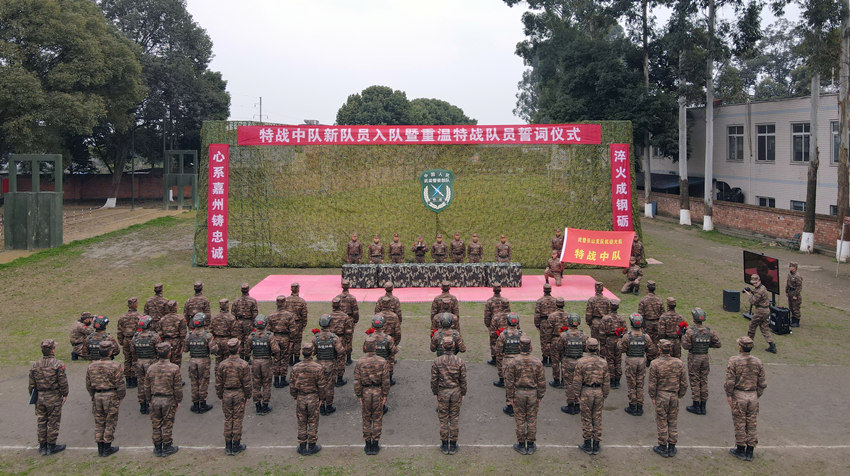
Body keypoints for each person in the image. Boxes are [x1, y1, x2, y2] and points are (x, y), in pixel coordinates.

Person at [725, 336, 767, 462]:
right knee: (751, 424)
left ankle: (740, 449)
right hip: (753, 396)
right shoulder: (758, 362)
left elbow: (730, 381)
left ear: (740, 347)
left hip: (739, 395)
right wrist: (756, 394)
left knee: (740, 423)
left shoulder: (734, 361)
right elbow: (762, 382)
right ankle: (750, 451)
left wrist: (729, 395)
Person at [505, 335, 545, 455]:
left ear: (519, 347)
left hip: (519, 393)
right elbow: (541, 382)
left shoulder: (513, 362)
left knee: (520, 419)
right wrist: (540, 396)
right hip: (532, 394)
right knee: (532, 419)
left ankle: (521, 444)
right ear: (531, 347)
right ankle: (531, 444)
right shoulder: (537, 362)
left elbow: (509, 381)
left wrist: (510, 397)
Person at [648, 339, 688, 458]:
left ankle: (662, 446)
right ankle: (672, 446)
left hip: (661, 395)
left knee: (662, 421)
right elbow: (684, 383)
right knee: (673, 421)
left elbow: (652, 384)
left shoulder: (655, 364)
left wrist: (653, 397)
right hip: (674, 395)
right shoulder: (679, 363)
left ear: (659, 349)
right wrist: (680, 395)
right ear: (670, 349)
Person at [86, 340, 126, 457]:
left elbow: (88, 384)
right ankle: (107, 447)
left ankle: (100, 448)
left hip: (97, 395)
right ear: (110, 352)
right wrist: (120, 397)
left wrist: (93, 395)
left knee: (99, 422)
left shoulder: (91, 366)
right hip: (111, 396)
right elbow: (120, 384)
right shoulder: (115, 366)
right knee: (110, 422)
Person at [29, 339, 69, 456]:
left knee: (41, 421)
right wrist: (65, 394)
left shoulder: (35, 365)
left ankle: (42, 446)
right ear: (52, 350)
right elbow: (63, 382)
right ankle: (51, 446)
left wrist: (34, 397)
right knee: (53, 422)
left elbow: (31, 385)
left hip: (40, 397)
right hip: (54, 397)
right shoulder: (58, 364)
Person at [144, 342, 182, 457]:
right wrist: (178, 401)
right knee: (167, 424)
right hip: (168, 399)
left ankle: (157, 447)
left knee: (156, 425)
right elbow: (177, 387)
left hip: (155, 399)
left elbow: (146, 386)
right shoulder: (174, 368)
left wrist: (149, 400)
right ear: (169, 353)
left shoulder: (151, 368)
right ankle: (167, 447)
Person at [682, 308, 722, 416]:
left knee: (694, 380)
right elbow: (718, 344)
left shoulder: (690, 331)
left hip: (694, 358)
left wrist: (683, 336)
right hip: (705, 358)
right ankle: (703, 406)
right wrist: (707, 345)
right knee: (703, 380)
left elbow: (686, 346)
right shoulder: (709, 331)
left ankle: (696, 405)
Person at [431, 337, 467, 455]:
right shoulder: (459, 361)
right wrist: (463, 392)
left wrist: (435, 393)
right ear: (453, 346)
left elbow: (434, 380)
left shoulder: (437, 361)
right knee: (454, 418)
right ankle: (453, 444)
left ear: (442, 347)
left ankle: (445, 444)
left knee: (443, 419)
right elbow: (463, 380)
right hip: (455, 391)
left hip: (443, 391)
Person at [573, 338, 609, 455]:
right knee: (597, 418)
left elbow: (577, 380)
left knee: (586, 418)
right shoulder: (603, 362)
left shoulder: (581, 362)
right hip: (598, 392)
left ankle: (588, 444)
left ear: (587, 348)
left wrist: (577, 394)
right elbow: (606, 381)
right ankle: (596, 444)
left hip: (586, 391)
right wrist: (604, 394)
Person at [355, 337, 391, 455]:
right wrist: (385, 395)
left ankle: (367, 444)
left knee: (366, 418)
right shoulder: (382, 361)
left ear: (365, 347)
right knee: (377, 418)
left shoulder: (360, 362)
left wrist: (359, 395)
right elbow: (386, 380)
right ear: (376, 347)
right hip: (377, 392)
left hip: (365, 392)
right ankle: (375, 444)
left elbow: (357, 381)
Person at [216, 338, 252, 455]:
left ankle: (228, 445)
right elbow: (247, 383)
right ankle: (236, 445)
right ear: (239, 349)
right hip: (238, 394)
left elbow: (219, 383)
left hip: (226, 394)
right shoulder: (243, 364)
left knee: (228, 419)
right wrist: (248, 396)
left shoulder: (222, 364)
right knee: (237, 419)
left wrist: (220, 396)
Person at [619, 313, 657, 416]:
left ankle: (632, 406)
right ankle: (639, 407)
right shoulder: (646, 336)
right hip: (641, 360)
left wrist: (620, 340)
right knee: (640, 384)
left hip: (631, 361)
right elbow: (651, 350)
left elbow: (621, 349)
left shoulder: (627, 336)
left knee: (632, 384)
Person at [290, 342, 325, 455]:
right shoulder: (318, 367)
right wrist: (321, 399)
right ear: (313, 353)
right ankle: (312, 446)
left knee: (301, 422)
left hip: (301, 397)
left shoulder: (296, 367)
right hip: (313, 397)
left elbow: (292, 384)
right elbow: (321, 385)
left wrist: (295, 397)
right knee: (313, 422)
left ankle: (302, 446)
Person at [551, 313, 587, 414]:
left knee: (569, 384)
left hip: (568, 362)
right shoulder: (583, 335)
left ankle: (570, 405)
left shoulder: (564, 335)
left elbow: (559, 348)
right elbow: (586, 348)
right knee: (579, 383)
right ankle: (578, 404)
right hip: (580, 362)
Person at [310, 314, 346, 415]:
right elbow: (341, 351)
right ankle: (329, 406)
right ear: (330, 324)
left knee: (319, 386)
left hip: (319, 365)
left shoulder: (315, 338)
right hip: (331, 365)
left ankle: (321, 406)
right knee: (329, 387)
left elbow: (312, 352)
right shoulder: (334, 338)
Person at [184, 313, 217, 414]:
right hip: (204, 361)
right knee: (203, 382)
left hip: (193, 361)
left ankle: (195, 404)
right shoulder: (207, 335)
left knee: (194, 383)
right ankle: (202, 404)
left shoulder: (189, 335)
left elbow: (185, 349)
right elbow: (214, 350)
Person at [493, 313, 523, 416]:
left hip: (508, 362)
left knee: (509, 384)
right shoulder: (522, 334)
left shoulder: (503, 335)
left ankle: (510, 406)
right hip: (520, 361)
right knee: (519, 383)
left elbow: (498, 350)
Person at [130, 315, 161, 415]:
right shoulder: (154, 336)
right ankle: (152, 403)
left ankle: (143, 405)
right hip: (151, 363)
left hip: (139, 362)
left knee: (141, 384)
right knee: (153, 384)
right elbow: (159, 350)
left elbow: (132, 351)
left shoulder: (135, 337)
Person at [248, 315, 278, 415]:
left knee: (256, 385)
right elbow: (276, 350)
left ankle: (258, 406)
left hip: (255, 362)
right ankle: (265, 406)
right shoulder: (269, 336)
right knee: (266, 384)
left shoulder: (252, 336)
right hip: (266, 362)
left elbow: (247, 350)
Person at [743, 274, 777, 353]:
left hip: (760, 311)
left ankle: (748, 343)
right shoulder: (762, 288)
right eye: (753, 283)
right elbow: (756, 294)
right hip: (766, 310)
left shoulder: (760, 291)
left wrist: (749, 294)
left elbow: (753, 301)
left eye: (755, 283)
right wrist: (751, 291)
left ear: (759, 281)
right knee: (764, 328)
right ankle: (772, 344)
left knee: (752, 326)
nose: (754, 284)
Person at [267, 296, 296, 388]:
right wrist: (291, 341)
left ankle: (276, 380)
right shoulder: (289, 315)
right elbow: (293, 330)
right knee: (284, 359)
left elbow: (268, 330)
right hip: (285, 339)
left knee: (276, 359)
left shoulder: (271, 315)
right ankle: (283, 379)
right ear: (285, 303)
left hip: (274, 338)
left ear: (276, 303)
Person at [600, 300, 627, 389]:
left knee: (610, 360)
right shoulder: (621, 319)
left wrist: (602, 344)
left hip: (609, 341)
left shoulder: (605, 318)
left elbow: (602, 333)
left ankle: (611, 380)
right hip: (618, 340)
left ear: (610, 307)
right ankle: (617, 380)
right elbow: (625, 331)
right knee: (618, 361)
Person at [369, 315, 398, 392]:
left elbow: (365, 350)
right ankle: (390, 380)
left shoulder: (369, 337)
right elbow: (394, 351)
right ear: (383, 325)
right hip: (385, 362)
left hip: (373, 362)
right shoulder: (388, 338)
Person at [116, 298, 141, 388]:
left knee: (127, 360)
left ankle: (128, 380)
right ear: (136, 305)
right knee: (135, 359)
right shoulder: (139, 317)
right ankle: (134, 379)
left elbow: (119, 331)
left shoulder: (122, 317)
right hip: (135, 340)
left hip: (126, 340)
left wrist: (121, 342)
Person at [327, 300, 353, 385]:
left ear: (332, 305)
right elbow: (348, 332)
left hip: (330, 339)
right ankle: (339, 379)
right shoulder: (345, 317)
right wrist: (347, 343)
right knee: (341, 360)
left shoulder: (328, 316)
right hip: (341, 340)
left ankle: (330, 378)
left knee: (330, 359)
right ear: (340, 305)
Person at [335, 279, 360, 364]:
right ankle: (348, 358)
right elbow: (355, 311)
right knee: (348, 339)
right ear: (349, 286)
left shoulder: (337, 297)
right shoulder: (352, 298)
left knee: (338, 337)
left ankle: (338, 357)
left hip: (338, 320)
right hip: (349, 320)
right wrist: (355, 321)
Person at [233, 283, 259, 362]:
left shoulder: (236, 301)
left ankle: (241, 357)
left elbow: (233, 313)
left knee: (239, 340)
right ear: (248, 290)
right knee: (248, 340)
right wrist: (253, 324)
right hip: (248, 322)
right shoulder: (252, 301)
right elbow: (255, 313)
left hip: (239, 322)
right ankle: (247, 358)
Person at [486, 288, 511, 366]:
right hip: (509, 335)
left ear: (501, 305)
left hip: (498, 334)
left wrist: (499, 332)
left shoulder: (496, 316)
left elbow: (492, 332)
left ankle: (495, 359)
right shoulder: (513, 316)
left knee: (494, 342)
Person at [534, 284, 557, 367]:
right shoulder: (555, 300)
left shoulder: (540, 301)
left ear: (544, 290)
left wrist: (537, 325)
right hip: (553, 322)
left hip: (544, 322)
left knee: (544, 341)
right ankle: (551, 359)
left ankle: (545, 358)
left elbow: (537, 314)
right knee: (552, 339)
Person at [638, 281, 664, 356]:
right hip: (657, 323)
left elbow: (640, 314)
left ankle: (649, 357)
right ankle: (656, 356)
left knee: (648, 341)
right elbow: (662, 313)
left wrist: (641, 326)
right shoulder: (659, 300)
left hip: (647, 323)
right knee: (656, 342)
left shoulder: (643, 300)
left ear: (647, 288)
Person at [285, 282, 309, 363]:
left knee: (289, 340)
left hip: (288, 324)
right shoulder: (301, 301)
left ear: (291, 289)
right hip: (298, 324)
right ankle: (296, 358)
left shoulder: (286, 300)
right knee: (297, 342)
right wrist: (303, 325)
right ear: (298, 289)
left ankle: (290, 359)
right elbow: (304, 315)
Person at [210, 299, 237, 372]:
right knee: (227, 361)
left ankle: (218, 376)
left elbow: (211, 330)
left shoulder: (215, 317)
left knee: (218, 360)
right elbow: (234, 332)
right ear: (227, 306)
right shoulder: (231, 317)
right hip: (227, 341)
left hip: (217, 341)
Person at [157, 301, 186, 367]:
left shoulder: (163, 319)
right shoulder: (180, 318)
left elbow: (159, 333)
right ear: (175, 307)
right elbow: (183, 334)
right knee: (176, 362)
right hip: (177, 342)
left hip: (165, 342)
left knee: (165, 362)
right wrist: (183, 345)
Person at [786, 262, 803, 327]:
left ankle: (796, 321)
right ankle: (792, 320)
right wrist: (786, 291)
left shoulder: (797, 276)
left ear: (794, 268)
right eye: (790, 266)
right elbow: (788, 283)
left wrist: (795, 295)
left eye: (791, 266)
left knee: (795, 308)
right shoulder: (790, 274)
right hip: (790, 292)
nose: (790, 267)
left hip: (795, 293)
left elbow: (799, 287)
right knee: (791, 307)